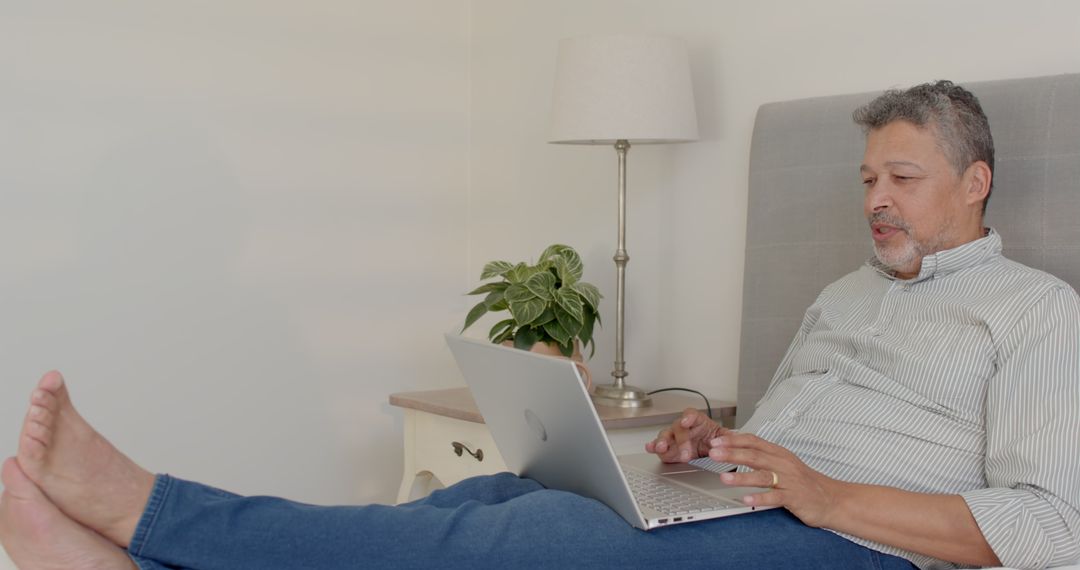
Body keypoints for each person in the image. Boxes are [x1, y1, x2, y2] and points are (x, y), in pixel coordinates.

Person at [1, 80, 1078, 570]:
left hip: (858, 545)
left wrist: (823, 493)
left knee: (526, 543)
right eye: (866, 179)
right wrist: (713, 443)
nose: (875, 199)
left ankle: (153, 514)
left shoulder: (1034, 313)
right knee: (488, 497)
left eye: (902, 178)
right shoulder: (842, 294)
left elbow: (1051, 527)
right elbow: (782, 437)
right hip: (748, 505)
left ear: (975, 180)